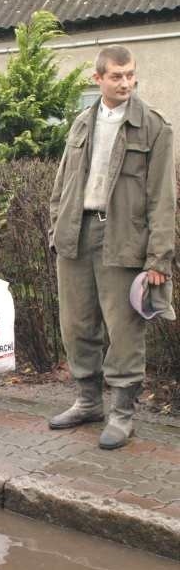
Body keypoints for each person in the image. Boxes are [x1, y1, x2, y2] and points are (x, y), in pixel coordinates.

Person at [49, 45, 176, 450]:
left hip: (123, 238)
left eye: (130, 75)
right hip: (76, 234)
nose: (125, 83)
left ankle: (122, 413)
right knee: (76, 324)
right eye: (116, 76)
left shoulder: (153, 126)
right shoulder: (81, 123)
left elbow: (162, 198)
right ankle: (88, 402)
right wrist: (57, 225)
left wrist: (159, 257)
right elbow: (62, 182)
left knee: (123, 330)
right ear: (97, 78)